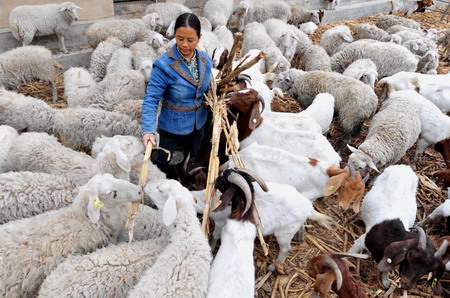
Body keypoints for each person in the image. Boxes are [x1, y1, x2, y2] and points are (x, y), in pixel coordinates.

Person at [141, 13, 212, 178]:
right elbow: (151, 99)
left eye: (190, 40)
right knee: (162, 163)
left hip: (198, 123)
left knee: (194, 160)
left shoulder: (204, 59)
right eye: (180, 39)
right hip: (173, 124)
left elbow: (208, 87)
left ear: (199, 37)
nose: (184, 44)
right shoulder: (164, 65)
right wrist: (148, 130)